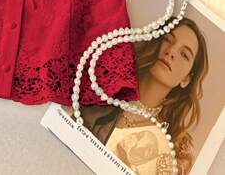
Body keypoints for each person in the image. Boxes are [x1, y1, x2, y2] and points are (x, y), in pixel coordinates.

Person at [64, 17, 209, 175]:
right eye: (167, 39)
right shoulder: (99, 84)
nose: (171, 51)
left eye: (184, 54)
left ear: (186, 79)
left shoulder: (175, 149)